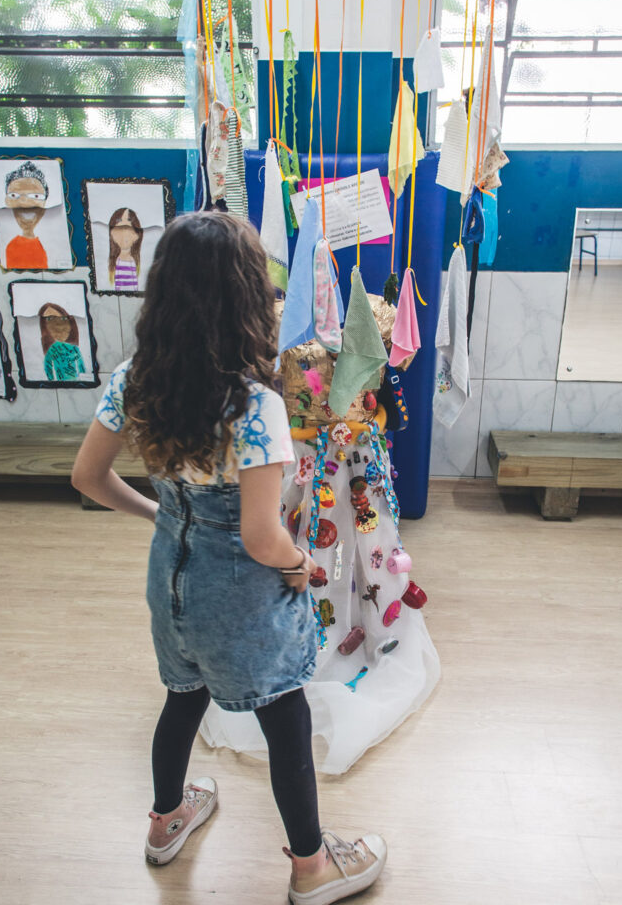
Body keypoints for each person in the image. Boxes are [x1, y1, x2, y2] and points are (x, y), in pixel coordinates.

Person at [71, 212, 386, 904]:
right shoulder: (254, 405)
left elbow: (87, 478)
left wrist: (160, 515)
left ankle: (165, 821)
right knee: (286, 717)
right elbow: (260, 536)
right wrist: (300, 565)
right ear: (245, 296)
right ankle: (312, 867)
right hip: (239, 596)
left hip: (170, 578)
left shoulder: (133, 378)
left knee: (181, 698)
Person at [3, 161, 48, 270]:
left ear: (45, 204)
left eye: (36, 196)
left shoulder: (48, 245)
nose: (25, 203)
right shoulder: (11, 247)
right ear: (7, 202)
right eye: (14, 195)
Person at [38, 302, 85, 381]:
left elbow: (81, 366)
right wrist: (51, 380)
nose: (57, 325)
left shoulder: (74, 348)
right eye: (49, 319)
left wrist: (82, 378)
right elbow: (47, 366)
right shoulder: (52, 349)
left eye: (62, 319)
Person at [108, 207, 143, 291]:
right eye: (119, 232)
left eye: (129, 232)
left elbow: (134, 285)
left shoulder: (133, 261)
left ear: (137, 235)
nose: (124, 238)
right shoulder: (116, 261)